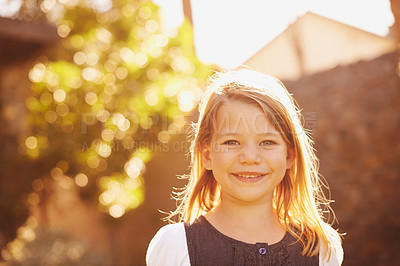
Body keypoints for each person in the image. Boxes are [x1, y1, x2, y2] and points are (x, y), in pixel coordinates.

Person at [146, 70, 343, 265]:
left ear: (289, 156)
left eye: (267, 142)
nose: (249, 158)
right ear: (207, 156)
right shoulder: (176, 247)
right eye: (231, 142)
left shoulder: (322, 250)